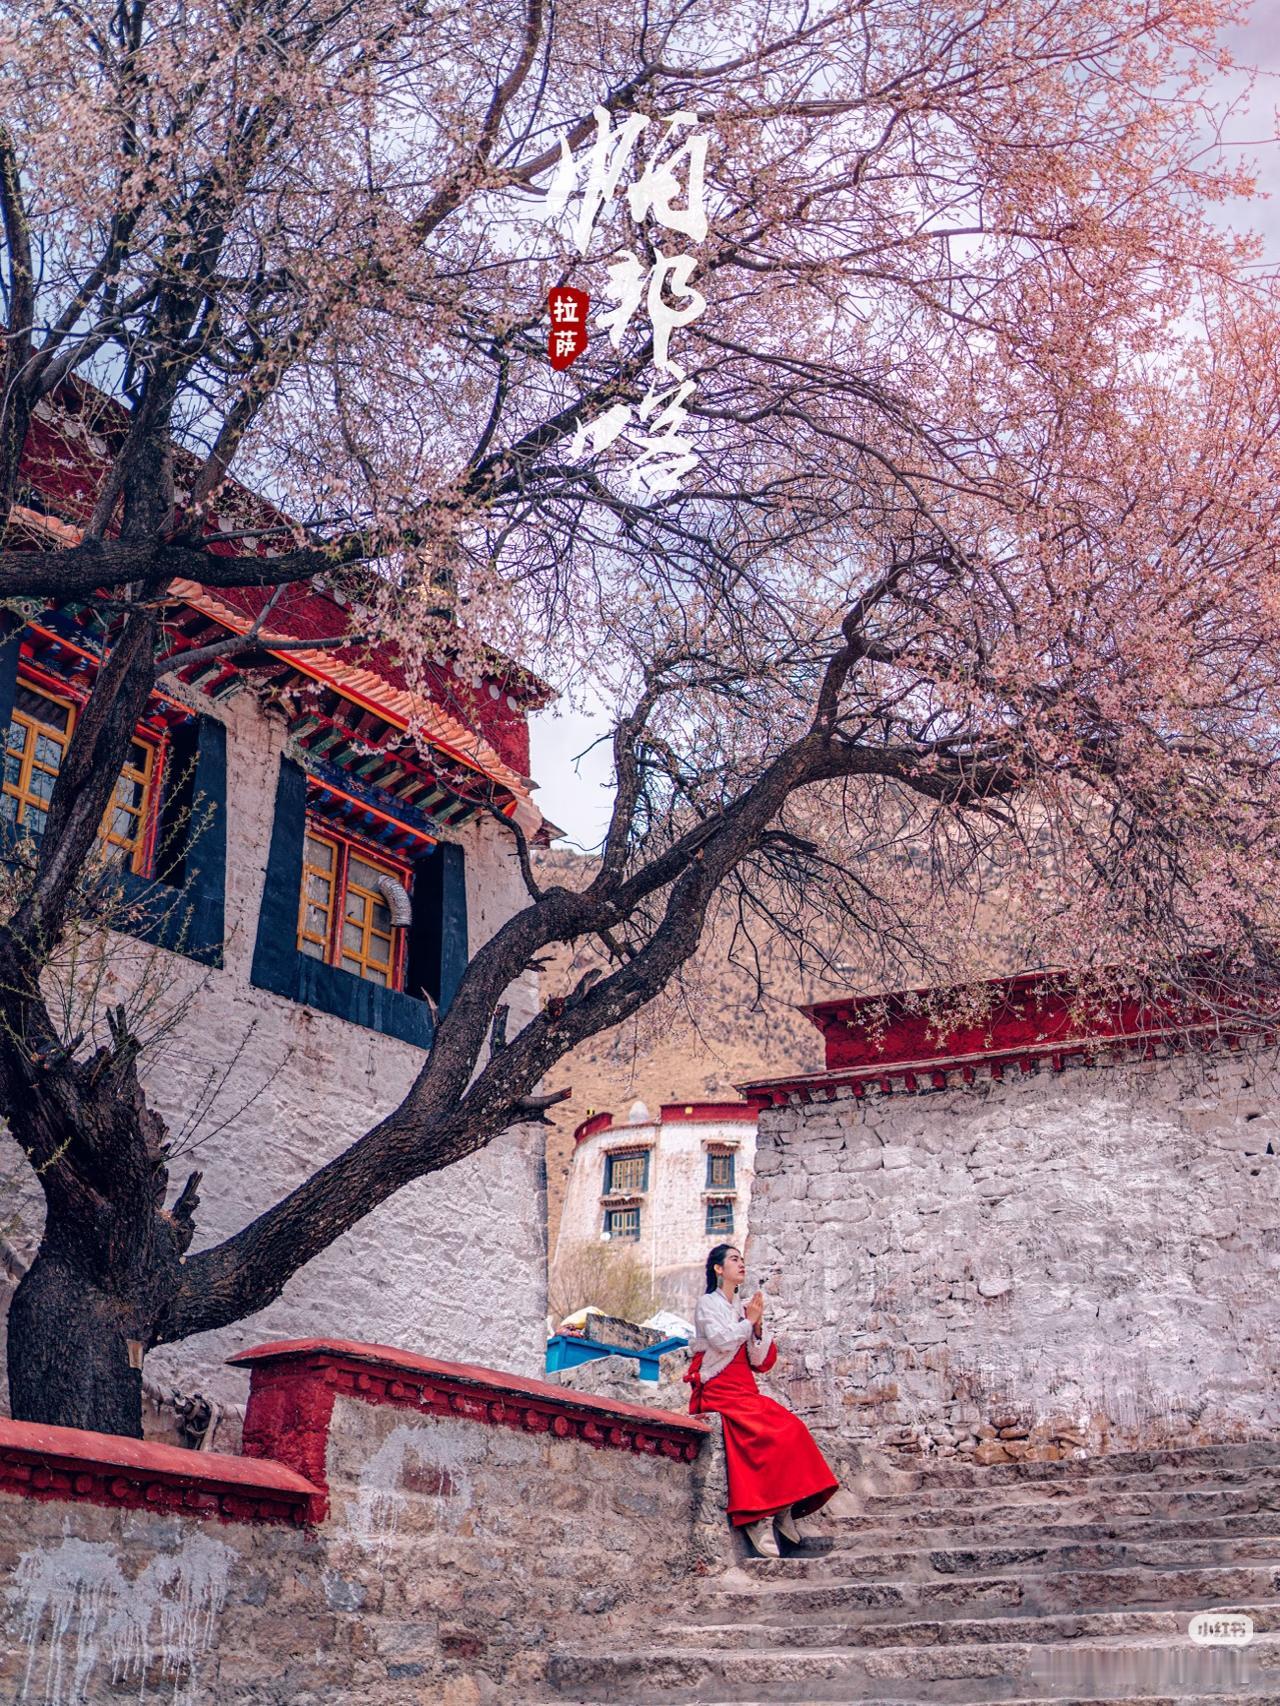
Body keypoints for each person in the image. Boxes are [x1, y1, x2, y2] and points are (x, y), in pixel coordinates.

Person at [687, 1242, 838, 1558]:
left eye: (742, 1259)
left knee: (792, 1428)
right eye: (733, 1259)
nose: (741, 1264)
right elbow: (722, 1340)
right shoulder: (707, 1304)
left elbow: (759, 1361)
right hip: (719, 1389)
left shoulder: (743, 1306)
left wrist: (756, 1327)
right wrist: (747, 1322)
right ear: (718, 1268)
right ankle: (757, 1518)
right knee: (762, 1433)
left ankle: (784, 1505)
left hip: (744, 1388)